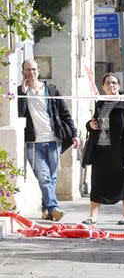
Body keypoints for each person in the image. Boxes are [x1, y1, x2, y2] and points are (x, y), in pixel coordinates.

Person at [18, 58, 80, 221]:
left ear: (38, 71)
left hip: (53, 141)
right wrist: (22, 94)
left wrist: (74, 133)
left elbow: (65, 113)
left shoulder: (51, 90)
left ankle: (46, 209)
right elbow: (19, 115)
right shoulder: (20, 92)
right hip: (33, 143)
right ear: (23, 72)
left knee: (51, 178)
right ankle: (54, 208)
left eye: (33, 69)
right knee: (44, 177)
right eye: (27, 70)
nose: (30, 73)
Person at [83, 73, 124, 225]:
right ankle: (92, 216)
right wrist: (90, 125)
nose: (111, 85)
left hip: (121, 150)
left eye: (114, 83)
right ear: (103, 86)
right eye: (107, 83)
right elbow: (94, 122)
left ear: (119, 86)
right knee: (97, 182)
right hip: (102, 149)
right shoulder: (100, 102)